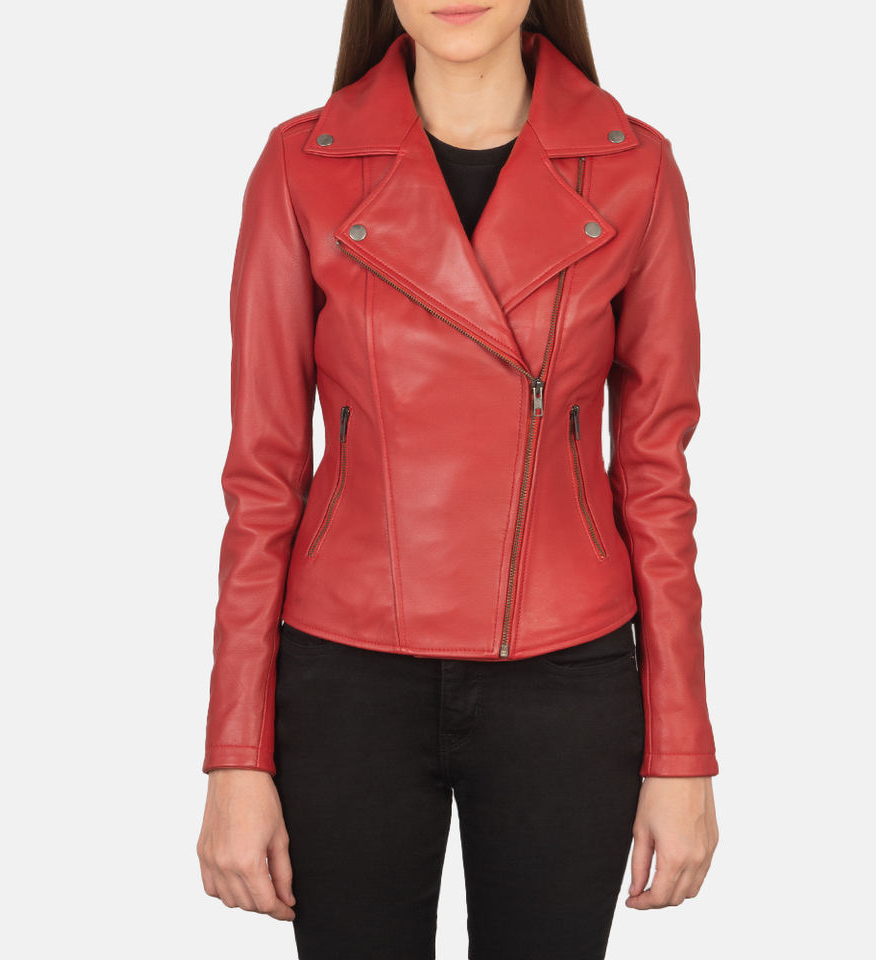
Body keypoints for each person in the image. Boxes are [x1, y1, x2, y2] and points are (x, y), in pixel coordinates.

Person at [197, 2, 720, 957]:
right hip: (346, 676)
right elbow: (262, 480)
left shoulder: (636, 168)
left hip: (567, 677)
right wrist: (235, 754)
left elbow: (656, 477)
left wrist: (682, 753)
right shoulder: (299, 166)